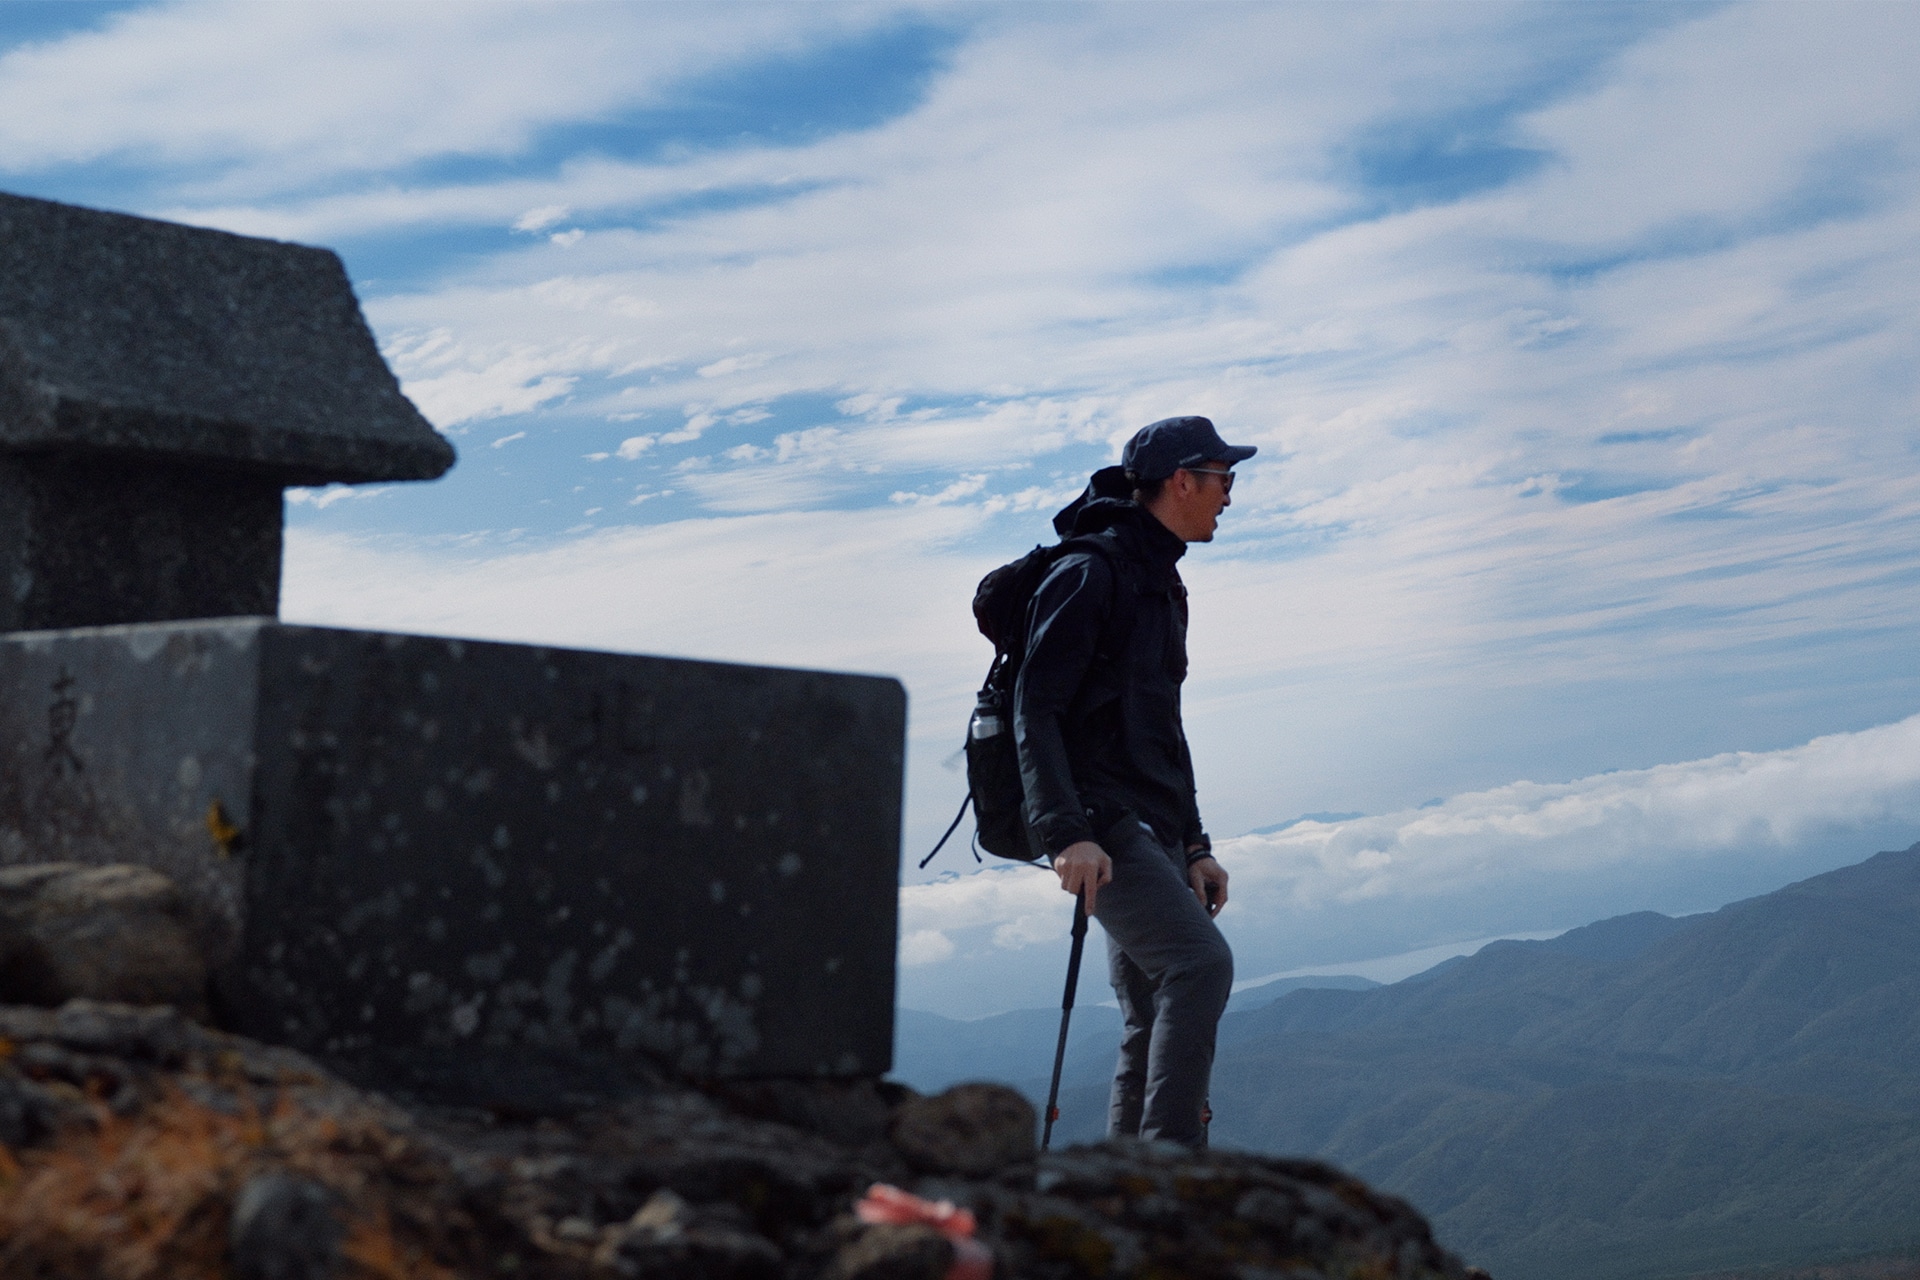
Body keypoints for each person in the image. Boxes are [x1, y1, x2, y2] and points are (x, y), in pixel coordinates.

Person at [1014, 414, 1251, 1146]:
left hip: (1143, 824)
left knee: (1151, 1010)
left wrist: (1193, 844)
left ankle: (1126, 1188)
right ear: (1182, 480)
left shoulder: (1156, 581)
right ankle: (1172, 1178)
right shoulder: (1092, 574)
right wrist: (1066, 833)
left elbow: (1160, 729)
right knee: (1200, 965)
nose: (1230, 497)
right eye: (1223, 480)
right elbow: (1036, 707)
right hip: (1098, 821)